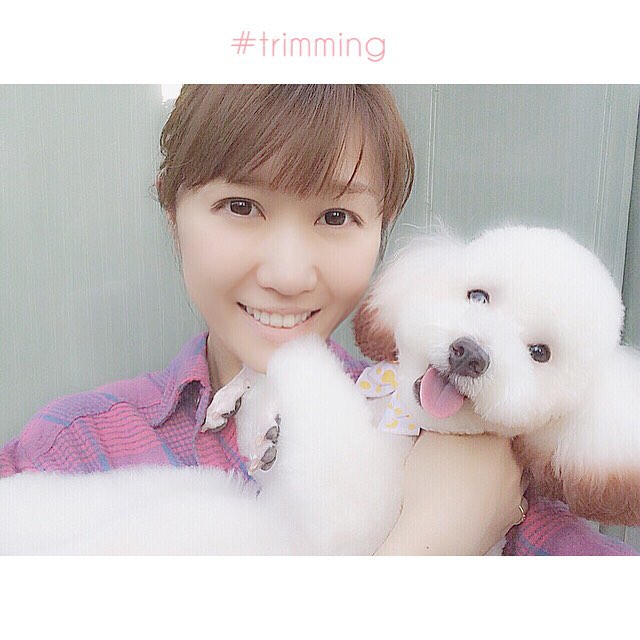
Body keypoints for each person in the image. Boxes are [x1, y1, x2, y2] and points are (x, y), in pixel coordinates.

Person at [1, 84, 636, 555]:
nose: (287, 274)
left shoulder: (485, 475)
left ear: (381, 229)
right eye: (241, 206)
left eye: (336, 217)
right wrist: (431, 545)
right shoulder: (72, 450)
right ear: (173, 211)